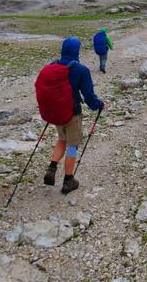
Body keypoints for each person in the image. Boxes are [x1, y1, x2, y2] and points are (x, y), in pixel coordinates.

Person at [43, 37, 104, 194]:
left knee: (62, 139)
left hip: (57, 112)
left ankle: (52, 168)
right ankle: (68, 180)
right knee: (72, 145)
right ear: (77, 51)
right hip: (72, 114)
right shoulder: (81, 70)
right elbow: (88, 96)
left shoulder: (53, 66)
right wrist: (98, 105)